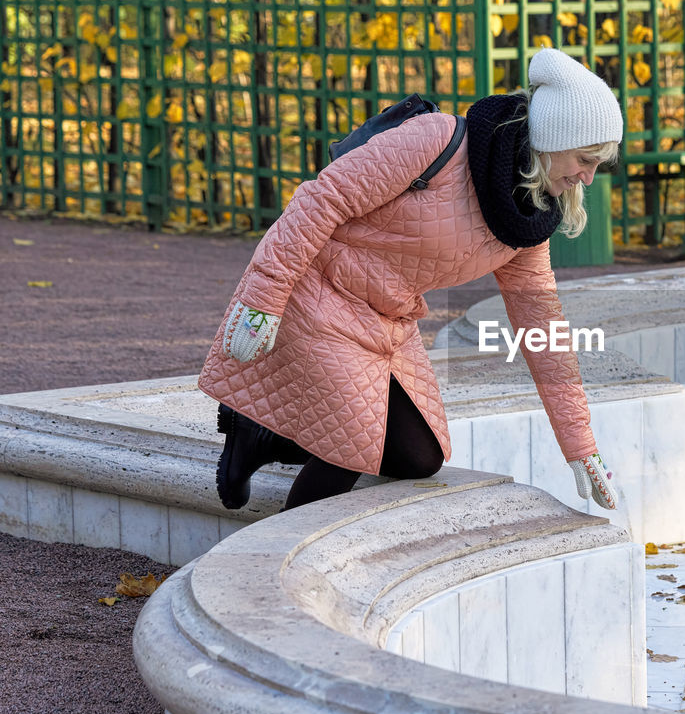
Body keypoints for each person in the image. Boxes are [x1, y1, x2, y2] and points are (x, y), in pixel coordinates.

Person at [198, 48, 621, 512]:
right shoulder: (438, 142)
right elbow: (320, 200)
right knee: (350, 444)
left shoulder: (525, 222)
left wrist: (580, 447)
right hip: (318, 291)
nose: (589, 177)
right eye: (585, 159)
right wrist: (264, 299)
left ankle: (260, 438)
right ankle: (270, 569)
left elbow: (543, 333)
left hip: (389, 320)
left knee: (420, 457)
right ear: (552, 139)